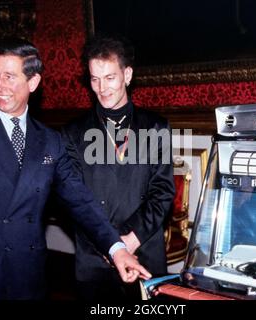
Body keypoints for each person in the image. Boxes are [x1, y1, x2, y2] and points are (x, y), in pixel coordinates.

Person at [0, 37, 150, 300]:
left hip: (26, 277)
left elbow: (80, 200)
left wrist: (116, 249)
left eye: (10, 76)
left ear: (33, 82)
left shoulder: (50, 141)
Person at [61, 35, 175, 300]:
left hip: (144, 252)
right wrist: (110, 245)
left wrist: (130, 240)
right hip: (94, 259)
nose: (101, 88)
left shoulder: (156, 127)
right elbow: (73, 199)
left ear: (127, 75)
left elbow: (162, 193)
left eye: (109, 78)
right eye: (94, 79)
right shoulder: (72, 133)